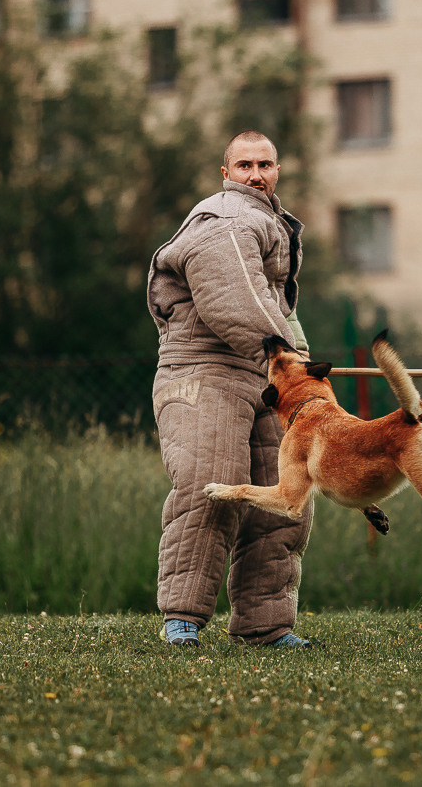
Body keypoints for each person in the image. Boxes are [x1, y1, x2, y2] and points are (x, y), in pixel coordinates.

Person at [146, 130, 316, 647]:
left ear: (277, 170)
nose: (256, 175)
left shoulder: (268, 221)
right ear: (226, 173)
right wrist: (288, 362)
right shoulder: (225, 219)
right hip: (203, 371)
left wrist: (302, 363)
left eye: (265, 164)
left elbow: (276, 308)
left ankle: (265, 626)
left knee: (286, 497)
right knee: (211, 486)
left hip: (262, 374)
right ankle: (183, 619)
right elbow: (233, 301)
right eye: (245, 165)